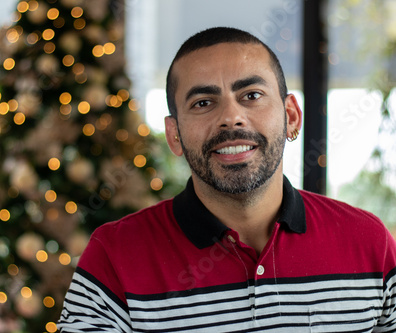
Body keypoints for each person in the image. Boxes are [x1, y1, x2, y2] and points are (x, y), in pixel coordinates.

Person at [57, 27, 396, 332]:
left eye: (251, 95)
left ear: (291, 116)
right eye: (203, 102)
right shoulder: (114, 256)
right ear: (174, 135)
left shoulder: (370, 243)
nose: (231, 118)